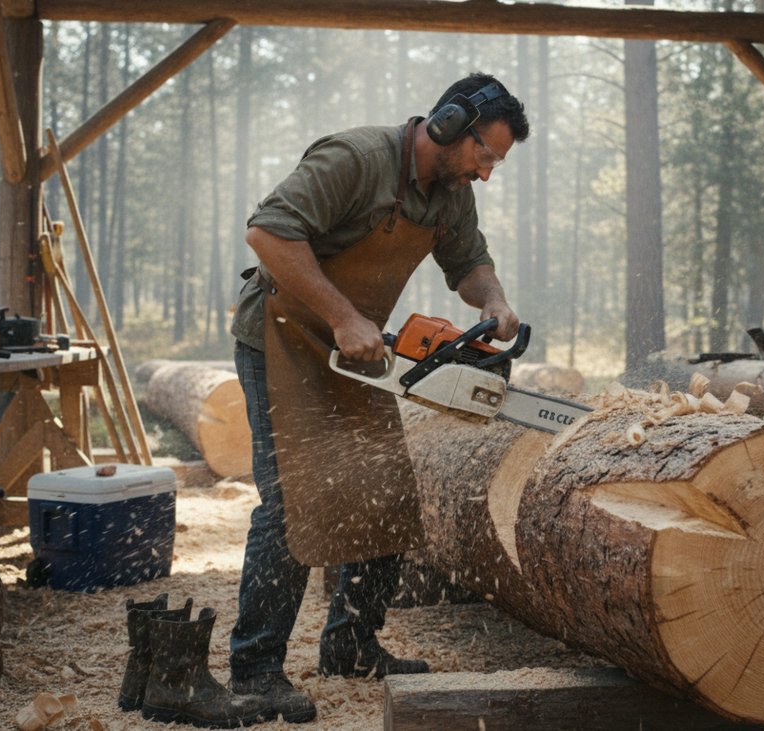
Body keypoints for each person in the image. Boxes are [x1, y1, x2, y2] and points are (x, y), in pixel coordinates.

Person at [226, 72, 530, 723]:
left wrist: (495, 301)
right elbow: (269, 232)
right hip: (280, 335)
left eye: (495, 162)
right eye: (485, 155)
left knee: (388, 492)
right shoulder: (357, 158)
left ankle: (351, 645)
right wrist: (341, 315)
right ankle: (254, 668)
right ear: (450, 124)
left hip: (360, 351)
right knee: (290, 503)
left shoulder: (450, 192)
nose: (486, 171)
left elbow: (467, 261)